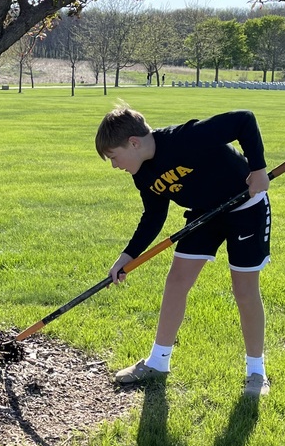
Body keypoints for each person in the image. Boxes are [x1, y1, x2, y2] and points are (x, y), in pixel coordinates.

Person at [96, 105, 271, 397]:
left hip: (245, 207)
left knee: (244, 290)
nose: (115, 165)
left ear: (134, 143)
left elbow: (244, 120)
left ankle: (256, 371)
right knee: (176, 282)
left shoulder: (185, 138)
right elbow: (154, 216)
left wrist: (258, 169)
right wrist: (128, 255)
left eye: (114, 157)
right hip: (204, 214)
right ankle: (158, 362)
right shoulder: (142, 174)